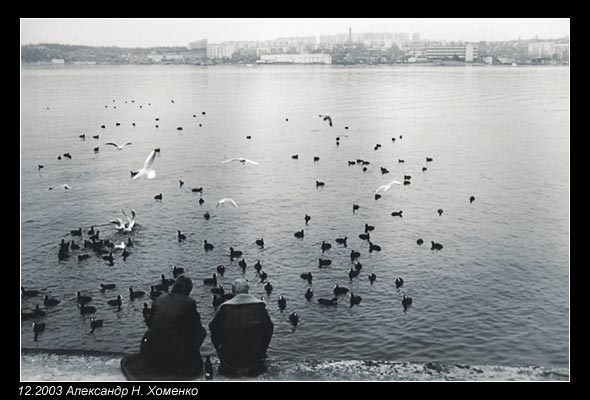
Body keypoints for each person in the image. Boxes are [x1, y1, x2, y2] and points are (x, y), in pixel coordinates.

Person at [139, 275, 207, 378]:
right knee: (202, 332)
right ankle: (188, 360)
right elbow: (197, 328)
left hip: (152, 354)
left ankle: (157, 355)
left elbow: (150, 323)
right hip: (176, 357)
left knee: (152, 330)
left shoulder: (159, 299)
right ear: (188, 290)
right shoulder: (189, 303)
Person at [209, 278, 274, 377]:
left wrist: (220, 347)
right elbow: (269, 328)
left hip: (229, 359)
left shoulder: (224, 309)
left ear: (233, 292)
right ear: (248, 291)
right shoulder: (259, 307)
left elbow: (213, 328)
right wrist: (262, 348)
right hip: (253, 359)